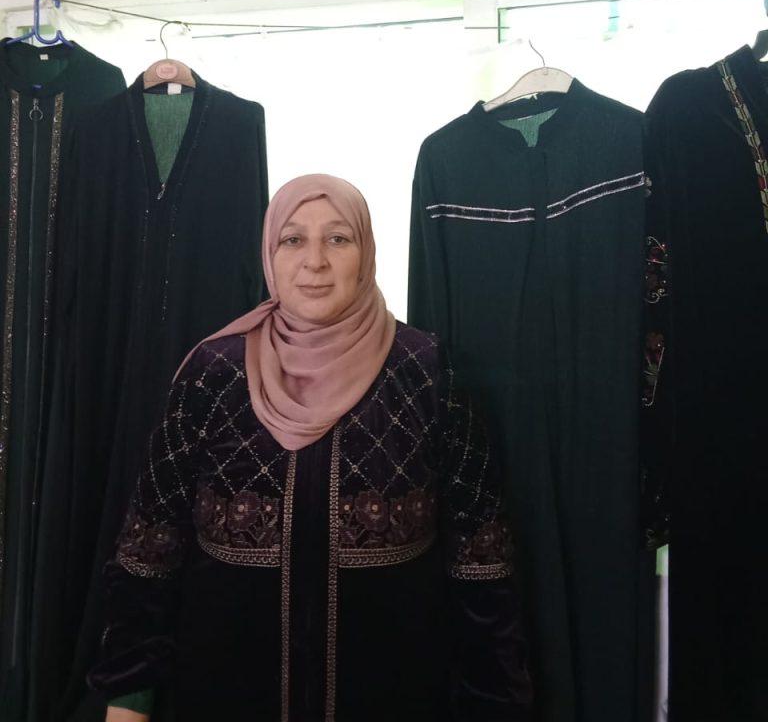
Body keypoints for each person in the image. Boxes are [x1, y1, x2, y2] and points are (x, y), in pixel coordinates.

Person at [89, 174, 532, 722]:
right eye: (293, 239)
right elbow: (149, 551)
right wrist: (128, 701)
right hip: (223, 698)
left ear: (366, 253)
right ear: (269, 254)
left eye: (338, 239)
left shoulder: (426, 372)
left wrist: (495, 705)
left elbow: (482, 564)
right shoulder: (212, 374)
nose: (315, 261)